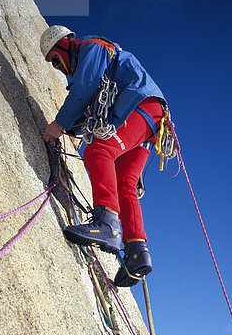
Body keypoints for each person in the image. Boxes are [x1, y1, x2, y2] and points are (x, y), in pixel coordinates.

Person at [41, 25, 167, 287]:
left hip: (140, 106)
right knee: (125, 185)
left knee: (99, 150)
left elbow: (84, 90)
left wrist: (57, 125)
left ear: (65, 44)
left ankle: (107, 223)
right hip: (148, 120)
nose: (57, 66)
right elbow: (85, 110)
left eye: (55, 58)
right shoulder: (92, 59)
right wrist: (71, 126)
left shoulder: (92, 47)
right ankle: (136, 253)